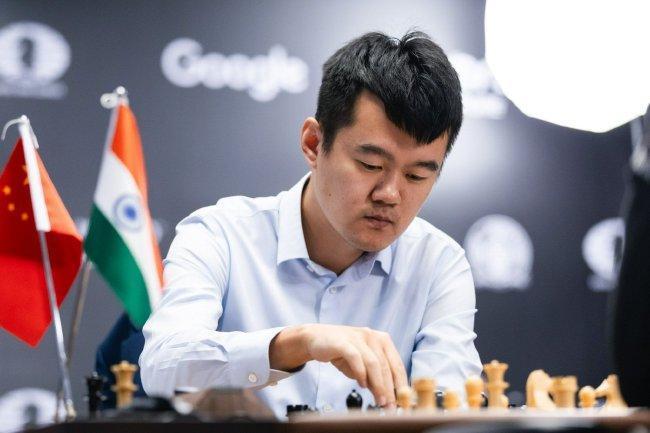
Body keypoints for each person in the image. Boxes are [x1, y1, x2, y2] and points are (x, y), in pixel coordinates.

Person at [140, 31, 482, 417]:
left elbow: (450, 407)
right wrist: (296, 344)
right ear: (314, 144)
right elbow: (162, 368)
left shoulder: (438, 263)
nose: (390, 194)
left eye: (417, 175)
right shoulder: (220, 235)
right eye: (370, 165)